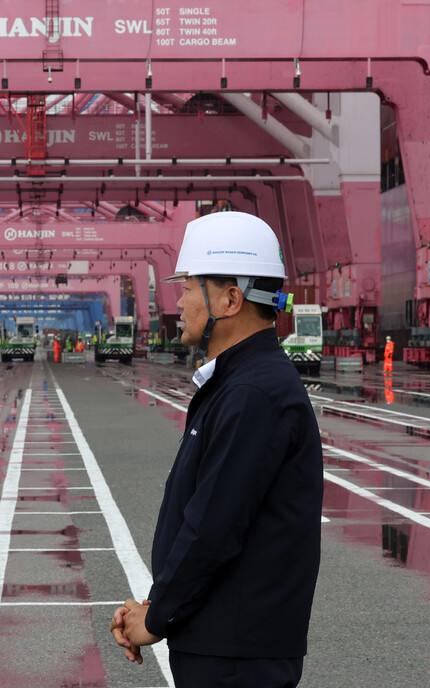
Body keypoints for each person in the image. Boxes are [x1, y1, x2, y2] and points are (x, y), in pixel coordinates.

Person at [110, 211, 323, 687]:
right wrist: (160, 605)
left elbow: (212, 528)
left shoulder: (251, 395)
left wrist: (157, 616)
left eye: (188, 287)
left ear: (230, 299)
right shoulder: (243, 384)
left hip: (234, 655)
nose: (179, 301)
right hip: (227, 640)